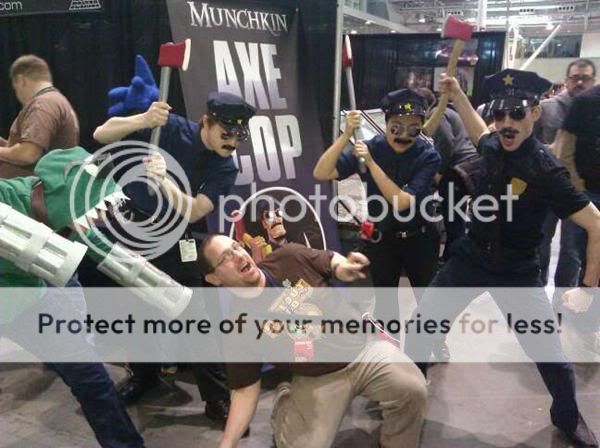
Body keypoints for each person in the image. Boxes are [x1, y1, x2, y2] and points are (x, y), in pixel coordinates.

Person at [405, 68, 600, 447]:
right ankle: (408, 397)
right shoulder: (494, 144)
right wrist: (457, 94)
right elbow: (479, 132)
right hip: (470, 258)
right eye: (500, 114)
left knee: (549, 355)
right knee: (422, 327)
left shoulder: (547, 170)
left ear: (535, 114)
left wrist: (587, 287)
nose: (507, 123)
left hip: (517, 272)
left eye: (518, 113)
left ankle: (568, 417)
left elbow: (595, 224)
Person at [93, 91, 256, 425]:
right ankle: (144, 376)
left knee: (194, 314)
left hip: (176, 235)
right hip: (134, 228)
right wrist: (143, 120)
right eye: (226, 134)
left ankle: (216, 398)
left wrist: (164, 181)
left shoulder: (225, 167)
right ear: (206, 122)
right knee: (135, 308)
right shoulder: (167, 127)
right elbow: (101, 134)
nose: (232, 143)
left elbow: (195, 210)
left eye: (239, 137)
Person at [197, 234, 427, 448]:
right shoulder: (240, 326)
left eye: (236, 247)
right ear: (214, 278)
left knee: (412, 388)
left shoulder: (288, 257)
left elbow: (330, 261)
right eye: (225, 257)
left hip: (363, 349)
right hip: (316, 377)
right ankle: (286, 404)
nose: (238, 256)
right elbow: (244, 391)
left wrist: (344, 267)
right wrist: (227, 444)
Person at [313, 89, 441, 323]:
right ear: (386, 123)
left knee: (428, 301)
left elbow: (401, 202)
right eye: (396, 128)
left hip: (419, 238)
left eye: (413, 129)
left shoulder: (428, 156)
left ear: (421, 127)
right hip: (383, 239)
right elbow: (322, 172)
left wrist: (371, 164)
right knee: (385, 302)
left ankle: (432, 340)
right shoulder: (371, 147)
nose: (404, 135)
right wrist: (346, 135)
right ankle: (387, 340)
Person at [537, 59, 596, 286]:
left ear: (593, 80)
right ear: (566, 80)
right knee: (540, 241)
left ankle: (564, 299)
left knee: (571, 250)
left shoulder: (594, 109)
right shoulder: (546, 108)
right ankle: (537, 290)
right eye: (575, 78)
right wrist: (551, 150)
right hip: (547, 187)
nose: (579, 83)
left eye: (585, 78)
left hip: (578, 190)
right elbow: (530, 144)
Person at [554, 80, 600, 350]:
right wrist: (577, 191)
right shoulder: (587, 102)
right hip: (588, 194)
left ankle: (586, 322)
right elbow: (564, 149)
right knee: (578, 258)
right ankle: (579, 321)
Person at [418, 87, 480, 261]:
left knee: (453, 219)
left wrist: (439, 172)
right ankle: (451, 256)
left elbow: (446, 143)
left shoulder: (437, 114)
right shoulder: (450, 111)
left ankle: (453, 260)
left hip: (458, 169)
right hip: (469, 166)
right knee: (456, 217)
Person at [1, 54, 79, 178]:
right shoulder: (57, 101)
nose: (17, 94)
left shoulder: (42, 104)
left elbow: (28, 154)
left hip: (31, 188)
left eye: (15, 89)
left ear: (21, 80)